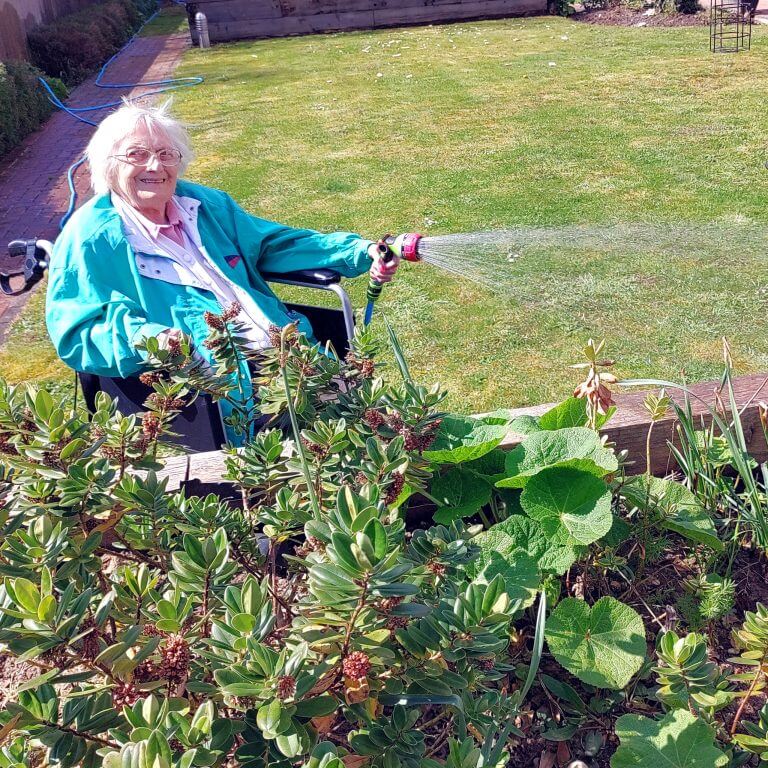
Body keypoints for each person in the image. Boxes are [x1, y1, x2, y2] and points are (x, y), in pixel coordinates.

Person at [46, 101, 399, 385]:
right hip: (206, 383)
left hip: (289, 353)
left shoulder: (204, 206)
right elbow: (79, 333)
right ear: (108, 165)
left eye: (167, 154)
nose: (155, 165)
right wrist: (152, 340)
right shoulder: (89, 239)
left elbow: (272, 243)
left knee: (369, 427)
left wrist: (359, 251)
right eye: (136, 154)